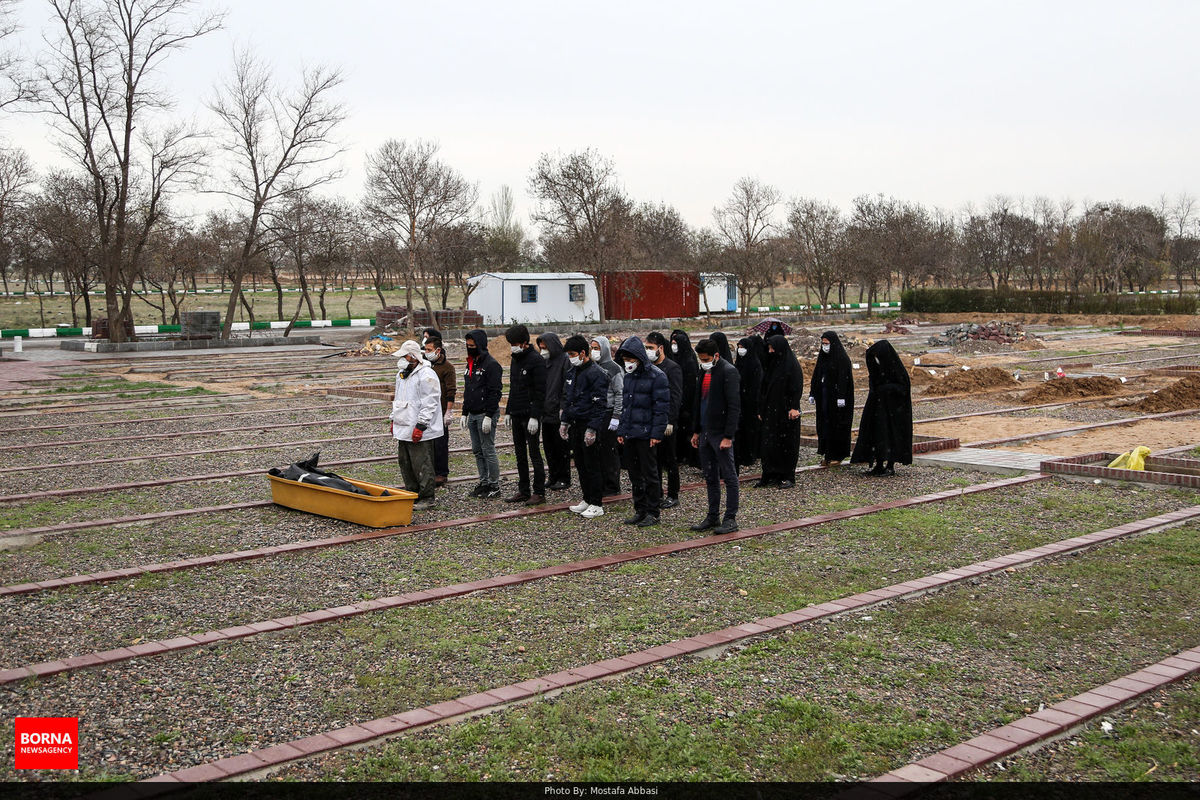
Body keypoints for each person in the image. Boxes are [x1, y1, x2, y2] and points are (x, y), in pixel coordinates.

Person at [615, 336, 670, 527]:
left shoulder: (657, 376)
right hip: (631, 432)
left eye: (631, 360)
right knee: (634, 474)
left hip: (646, 434)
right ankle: (640, 509)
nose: (628, 364)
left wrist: (656, 433)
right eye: (625, 360)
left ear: (639, 358)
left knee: (650, 474)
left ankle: (653, 512)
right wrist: (622, 430)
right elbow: (626, 407)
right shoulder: (629, 376)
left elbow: (661, 408)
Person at [689, 339, 740, 534]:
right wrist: (697, 430)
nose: (703, 362)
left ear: (716, 356)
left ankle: (730, 518)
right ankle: (713, 516)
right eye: (701, 359)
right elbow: (699, 401)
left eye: (706, 359)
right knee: (710, 476)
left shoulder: (728, 372)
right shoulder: (704, 371)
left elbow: (734, 406)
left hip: (720, 433)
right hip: (705, 432)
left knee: (729, 476)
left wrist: (728, 435)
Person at [390, 340, 443, 511]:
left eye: (405, 356)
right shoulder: (402, 374)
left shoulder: (426, 374)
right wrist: (393, 419)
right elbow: (398, 399)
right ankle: (412, 493)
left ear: (413, 356)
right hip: (404, 426)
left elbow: (430, 402)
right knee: (405, 462)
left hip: (418, 428)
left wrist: (421, 425)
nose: (402, 359)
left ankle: (427, 497)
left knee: (422, 463)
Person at [560, 335, 609, 518]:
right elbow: (568, 399)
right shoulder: (573, 372)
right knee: (580, 463)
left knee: (592, 464)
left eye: (573, 354)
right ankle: (587, 498)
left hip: (588, 423)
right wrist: (564, 421)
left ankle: (597, 502)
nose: (570, 358)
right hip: (575, 423)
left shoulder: (596, 373)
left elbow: (599, 404)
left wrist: (593, 428)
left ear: (583, 353)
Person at [851, 339, 913, 476]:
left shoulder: (896, 369)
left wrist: (885, 390)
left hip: (893, 411)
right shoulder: (877, 367)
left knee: (890, 436)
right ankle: (878, 464)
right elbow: (874, 382)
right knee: (877, 435)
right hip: (878, 409)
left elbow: (902, 388)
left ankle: (890, 465)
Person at [504, 324, 547, 505]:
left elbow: (540, 391)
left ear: (523, 343)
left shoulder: (536, 360)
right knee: (520, 453)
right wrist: (508, 411)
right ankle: (523, 489)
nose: (512, 347)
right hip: (517, 413)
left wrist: (535, 416)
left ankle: (539, 491)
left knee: (534, 453)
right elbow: (514, 387)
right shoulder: (516, 359)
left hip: (530, 415)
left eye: (514, 343)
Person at [758, 334, 804, 488]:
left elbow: (796, 387)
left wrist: (794, 407)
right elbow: (764, 388)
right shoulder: (772, 364)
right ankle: (770, 473)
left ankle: (787, 475)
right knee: (769, 443)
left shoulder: (791, 365)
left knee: (786, 444)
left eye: (772, 348)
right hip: (771, 412)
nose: (770, 351)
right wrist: (761, 409)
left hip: (785, 412)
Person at [462, 329, 503, 498]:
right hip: (472, 413)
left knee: (488, 449)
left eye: (472, 345)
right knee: (477, 450)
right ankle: (484, 482)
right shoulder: (471, 363)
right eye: (467, 345)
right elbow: (468, 389)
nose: (469, 348)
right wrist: (464, 412)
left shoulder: (491, 365)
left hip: (485, 413)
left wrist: (489, 414)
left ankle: (494, 485)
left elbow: (495, 392)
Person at [645, 331, 682, 508]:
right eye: (646, 347)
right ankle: (656, 492)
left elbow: (675, 397)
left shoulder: (672, 368)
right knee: (654, 460)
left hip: (666, 421)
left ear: (660, 348)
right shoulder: (648, 368)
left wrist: (670, 420)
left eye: (650, 348)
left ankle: (673, 494)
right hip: (652, 419)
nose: (648, 351)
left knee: (669, 459)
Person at [809, 331, 854, 467]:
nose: (824, 346)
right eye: (823, 343)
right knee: (824, 426)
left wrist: (841, 396)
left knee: (837, 426)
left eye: (827, 344)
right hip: (824, 398)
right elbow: (816, 375)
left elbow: (843, 379)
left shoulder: (841, 358)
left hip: (837, 401)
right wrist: (812, 392)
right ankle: (827, 454)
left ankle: (837, 455)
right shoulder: (823, 357)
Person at [537, 332, 572, 491]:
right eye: (541, 347)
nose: (543, 350)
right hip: (546, 412)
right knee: (549, 447)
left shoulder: (564, 361)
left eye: (545, 347)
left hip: (557, 411)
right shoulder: (544, 361)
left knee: (561, 448)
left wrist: (563, 407)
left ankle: (564, 477)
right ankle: (553, 475)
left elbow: (566, 387)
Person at [591, 334, 623, 496]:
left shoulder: (614, 368)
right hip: (596, 412)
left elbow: (620, 393)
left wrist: (616, 416)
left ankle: (612, 485)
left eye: (597, 348)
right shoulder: (592, 366)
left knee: (609, 452)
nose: (594, 352)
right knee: (596, 450)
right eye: (592, 348)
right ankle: (600, 482)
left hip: (609, 413)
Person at [422, 335, 457, 486]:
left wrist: (448, 412)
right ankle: (429, 471)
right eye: (425, 349)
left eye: (429, 350)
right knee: (428, 443)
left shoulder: (447, 367)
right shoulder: (424, 365)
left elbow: (451, 391)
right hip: (427, 410)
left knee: (441, 444)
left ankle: (442, 473)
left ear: (438, 350)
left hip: (440, 410)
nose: (426, 352)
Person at [669, 329, 700, 467]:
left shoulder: (689, 360)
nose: (673, 346)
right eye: (672, 343)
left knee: (685, 430)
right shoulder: (673, 358)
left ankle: (686, 456)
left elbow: (690, 385)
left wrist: (685, 402)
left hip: (686, 402)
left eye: (676, 343)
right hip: (677, 400)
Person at [734, 336, 764, 468]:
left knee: (750, 429)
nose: (740, 350)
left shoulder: (755, 364)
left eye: (743, 348)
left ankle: (750, 455)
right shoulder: (739, 363)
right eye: (739, 348)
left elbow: (757, 386)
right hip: (740, 401)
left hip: (750, 403)